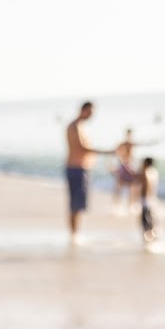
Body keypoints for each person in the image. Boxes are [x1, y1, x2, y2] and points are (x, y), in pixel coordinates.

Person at [64, 101, 115, 245]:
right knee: (75, 204)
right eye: (90, 112)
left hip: (77, 167)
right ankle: (74, 235)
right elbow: (82, 148)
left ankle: (75, 234)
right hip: (77, 168)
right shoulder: (75, 126)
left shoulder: (76, 126)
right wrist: (107, 151)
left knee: (77, 204)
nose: (92, 116)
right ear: (83, 110)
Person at [138, 156, 159, 244]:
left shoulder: (145, 173)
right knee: (150, 218)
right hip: (152, 199)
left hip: (146, 199)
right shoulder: (154, 172)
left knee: (145, 219)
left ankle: (148, 238)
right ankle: (153, 234)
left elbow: (145, 186)